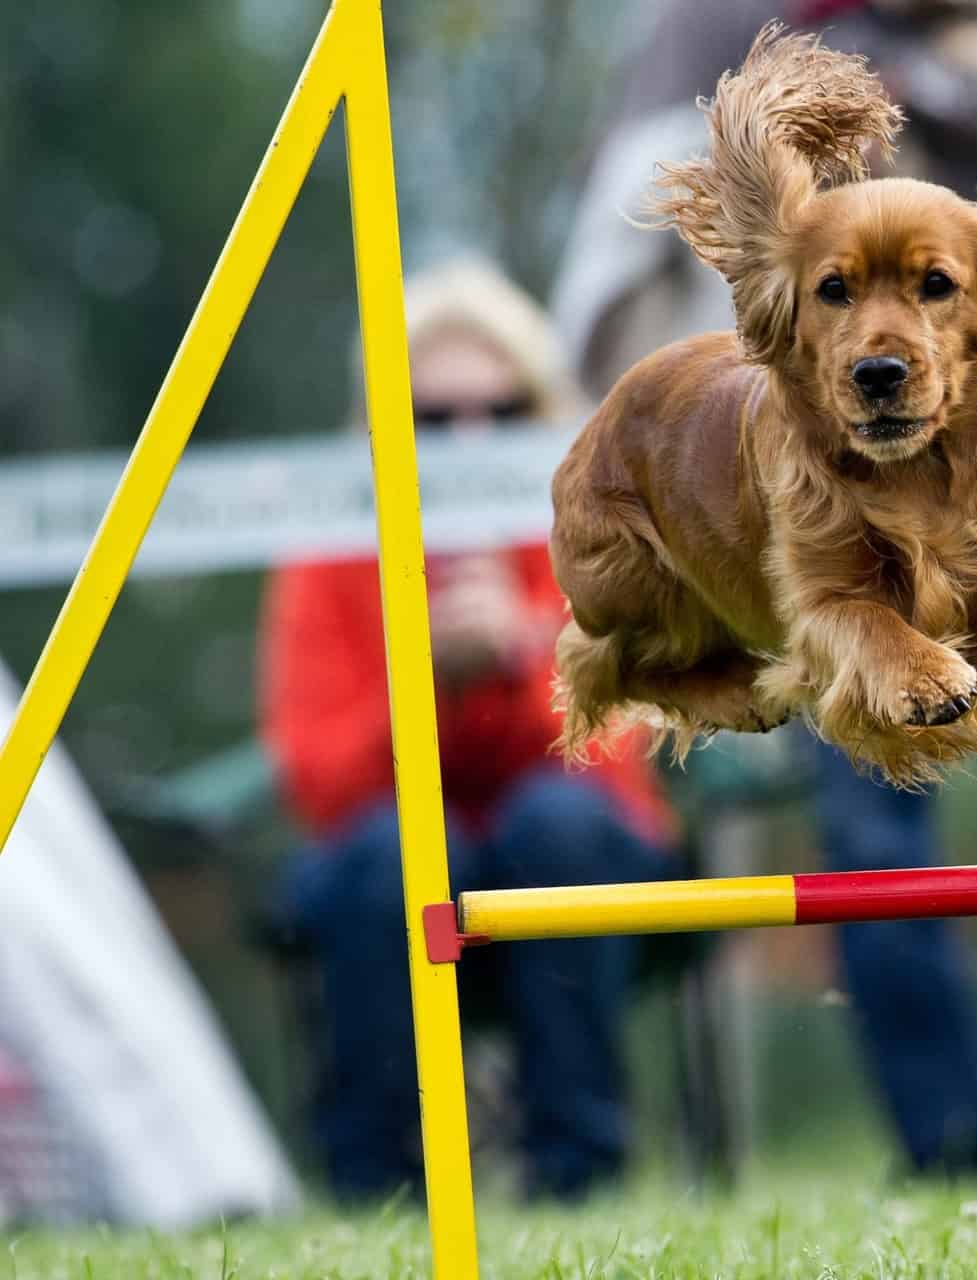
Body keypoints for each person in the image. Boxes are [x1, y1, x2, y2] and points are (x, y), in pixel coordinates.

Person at [551, 0, 977, 1174]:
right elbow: (621, 203)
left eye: (929, 294)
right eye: (843, 298)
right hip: (802, 480)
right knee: (866, 831)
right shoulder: (712, 24)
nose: (881, 339)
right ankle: (949, 1145)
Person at [259, 259, 680, 1202]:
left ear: (541, 409)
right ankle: (376, 1191)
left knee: (555, 826)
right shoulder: (331, 554)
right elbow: (318, 783)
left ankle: (581, 1176)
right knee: (401, 852)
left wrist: (520, 668)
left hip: (570, 847)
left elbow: (619, 755)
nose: (469, 438)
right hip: (393, 869)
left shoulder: (596, 534)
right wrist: (429, 684)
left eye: (500, 408)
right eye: (434, 419)